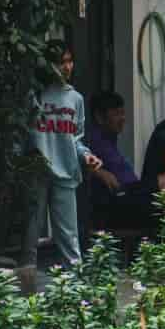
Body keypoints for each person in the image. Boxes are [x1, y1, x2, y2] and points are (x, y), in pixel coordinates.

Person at [23, 40, 98, 280]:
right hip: (37, 171)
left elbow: (76, 138)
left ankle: (76, 293)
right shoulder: (35, 95)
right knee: (30, 235)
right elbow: (22, 134)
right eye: (60, 62)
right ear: (48, 65)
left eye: (69, 61)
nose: (66, 67)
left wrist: (87, 156)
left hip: (66, 171)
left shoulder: (76, 99)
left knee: (68, 236)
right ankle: (27, 290)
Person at [84, 89, 159, 243]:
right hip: (111, 208)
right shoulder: (93, 143)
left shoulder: (109, 140)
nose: (123, 119)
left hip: (126, 198)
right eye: (117, 114)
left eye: (123, 113)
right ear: (99, 117)